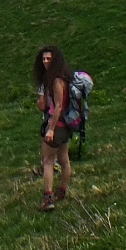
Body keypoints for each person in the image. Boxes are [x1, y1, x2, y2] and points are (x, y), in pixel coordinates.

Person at [32, 45, 73, 211]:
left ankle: (48, 198)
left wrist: (51, 129)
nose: (45, 62)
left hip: (57, 125)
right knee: (64, 158)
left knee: (48, 161)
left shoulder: (56, 81)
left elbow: (58, 107)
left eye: (49, 59)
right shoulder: (66, 77)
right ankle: (62, 191)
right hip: (67, 125)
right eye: (43, 59)